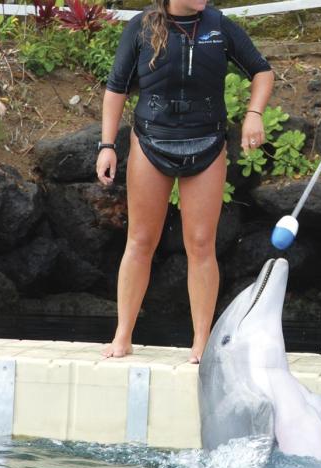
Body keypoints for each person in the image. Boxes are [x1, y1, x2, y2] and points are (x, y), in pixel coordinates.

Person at [97, 0, 274, 363]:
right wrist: (107, 145)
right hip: (150, 141)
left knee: (200, 244)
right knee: (141, 240)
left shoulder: (218, 26)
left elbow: (262, 71)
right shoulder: (141, 26)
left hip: (207, 143)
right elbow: (115, 89)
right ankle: (123, 334)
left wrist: (254, 113)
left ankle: (201, 341)